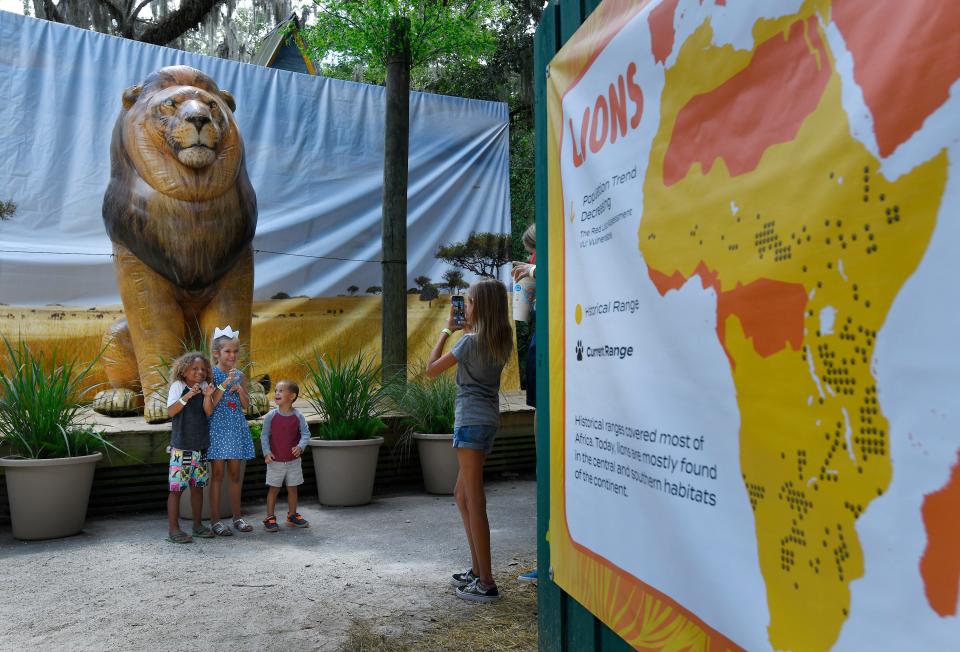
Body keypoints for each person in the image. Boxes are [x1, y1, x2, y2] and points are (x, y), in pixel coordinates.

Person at [427, 278, 514, 603]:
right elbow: (477, 349)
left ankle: (487, 581)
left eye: (471, 303)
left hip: (470, 421)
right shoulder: (500, 340)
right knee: (462, 494)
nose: (467, 308)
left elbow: (431, 369)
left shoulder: (467, 343)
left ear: (480, 309)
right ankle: (477, 571)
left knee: (474, 500)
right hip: (488, 420)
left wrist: (447, 330)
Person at [208, 325, 256, 536]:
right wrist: (223, 385)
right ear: (216, 353)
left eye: (235, 351)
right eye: (228, 351)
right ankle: (216, 521)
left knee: (235, 474)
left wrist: (240, 390)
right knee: (217, 474)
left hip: (236, 428)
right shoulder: (211, 374)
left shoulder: (240, 375)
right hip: (217, 429)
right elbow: (209, 406)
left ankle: (238, 517)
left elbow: (246, 405)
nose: (232, 355)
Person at [165, 351, 215, 543]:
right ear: (184, 371)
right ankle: (173, 529)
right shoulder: (178, 386)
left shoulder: (204, 387)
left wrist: (208, 396)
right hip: (182, 448)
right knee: (176, 489)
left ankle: (197, 526)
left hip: (200, 447)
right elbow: (171, 411)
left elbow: (208, 413)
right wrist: (188, 395)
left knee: (197, 487)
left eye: (203, 369)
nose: (200, 372)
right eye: (194, 369)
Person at [513, 224, 539, 584]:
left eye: (535, 252)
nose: (531, 259)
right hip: (539, 351)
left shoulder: (555, 257)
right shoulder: (538, 267)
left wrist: (533, 271)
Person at [260, 380, 311, 532]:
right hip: (275, 461)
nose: (276, 393)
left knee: (293, 488)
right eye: (276, 390)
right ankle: (270, 517)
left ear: (292, 396)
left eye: (281, 391)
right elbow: (264, 436)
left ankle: (292, 515)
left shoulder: (298, 416)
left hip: (293, 462)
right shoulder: (271, 416)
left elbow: (306, 434)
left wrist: (301, 447)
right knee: (273, 490)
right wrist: (267, 452)